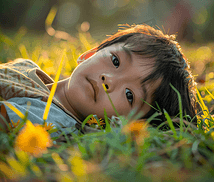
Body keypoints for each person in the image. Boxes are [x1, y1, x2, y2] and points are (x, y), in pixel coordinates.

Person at [0, 24, 197, 135]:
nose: (108, 80)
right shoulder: (27, 68)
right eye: (115, 61)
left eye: (130, 95)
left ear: (130, 123)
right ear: (90, 53)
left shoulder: (52, 124)